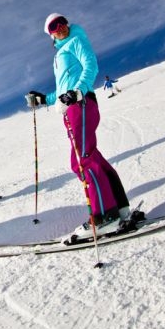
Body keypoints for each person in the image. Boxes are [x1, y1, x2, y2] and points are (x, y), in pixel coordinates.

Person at [26, 13, 131, 241]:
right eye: (54, 26)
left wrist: (78, 91)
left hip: (80, 104)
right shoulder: (60, 55)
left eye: (62, 22)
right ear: (50, 34)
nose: (60, 27)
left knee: (82, 161)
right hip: (72, 107)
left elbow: (91, 65)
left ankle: (104, 216)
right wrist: (44, 99)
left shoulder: (76, 40)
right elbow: (63, 90)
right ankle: (120, 209)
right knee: (93, 158)